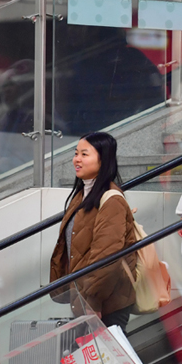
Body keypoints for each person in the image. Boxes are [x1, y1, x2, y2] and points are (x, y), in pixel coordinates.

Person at [49, 131, 138, 333]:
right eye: (76, 153)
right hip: (86, 299)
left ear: (103, 159)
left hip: (106, 302)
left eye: (84, 154)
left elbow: (106, 258)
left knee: (112, 362)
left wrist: (93, 303)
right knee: (97, 362)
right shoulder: (82, 195)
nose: (77, 159)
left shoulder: (111, 200)